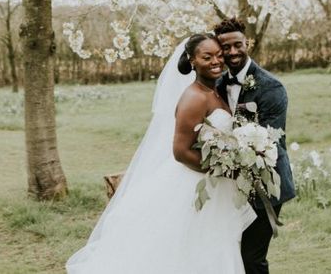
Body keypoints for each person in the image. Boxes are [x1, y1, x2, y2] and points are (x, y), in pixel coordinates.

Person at [66, 33, 255, 274]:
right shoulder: (194, 97)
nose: (216, 61)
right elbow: (180, 151)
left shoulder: (213, 90)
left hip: (215, 186)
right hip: (194, 183)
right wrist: (223, 169)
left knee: (213, 247)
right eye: (207, 57)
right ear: (192, 60)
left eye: (219, 55)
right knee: (190, 250)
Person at [214, 17, 296, 274]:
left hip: (265, 182)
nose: (232, 52)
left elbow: (271, 142)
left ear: (247, 42)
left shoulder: (271, 87)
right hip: (230, 184)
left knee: (252, 257)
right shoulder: (217, 84)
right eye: (225, 48)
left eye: (237, 45)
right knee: (230, 254)